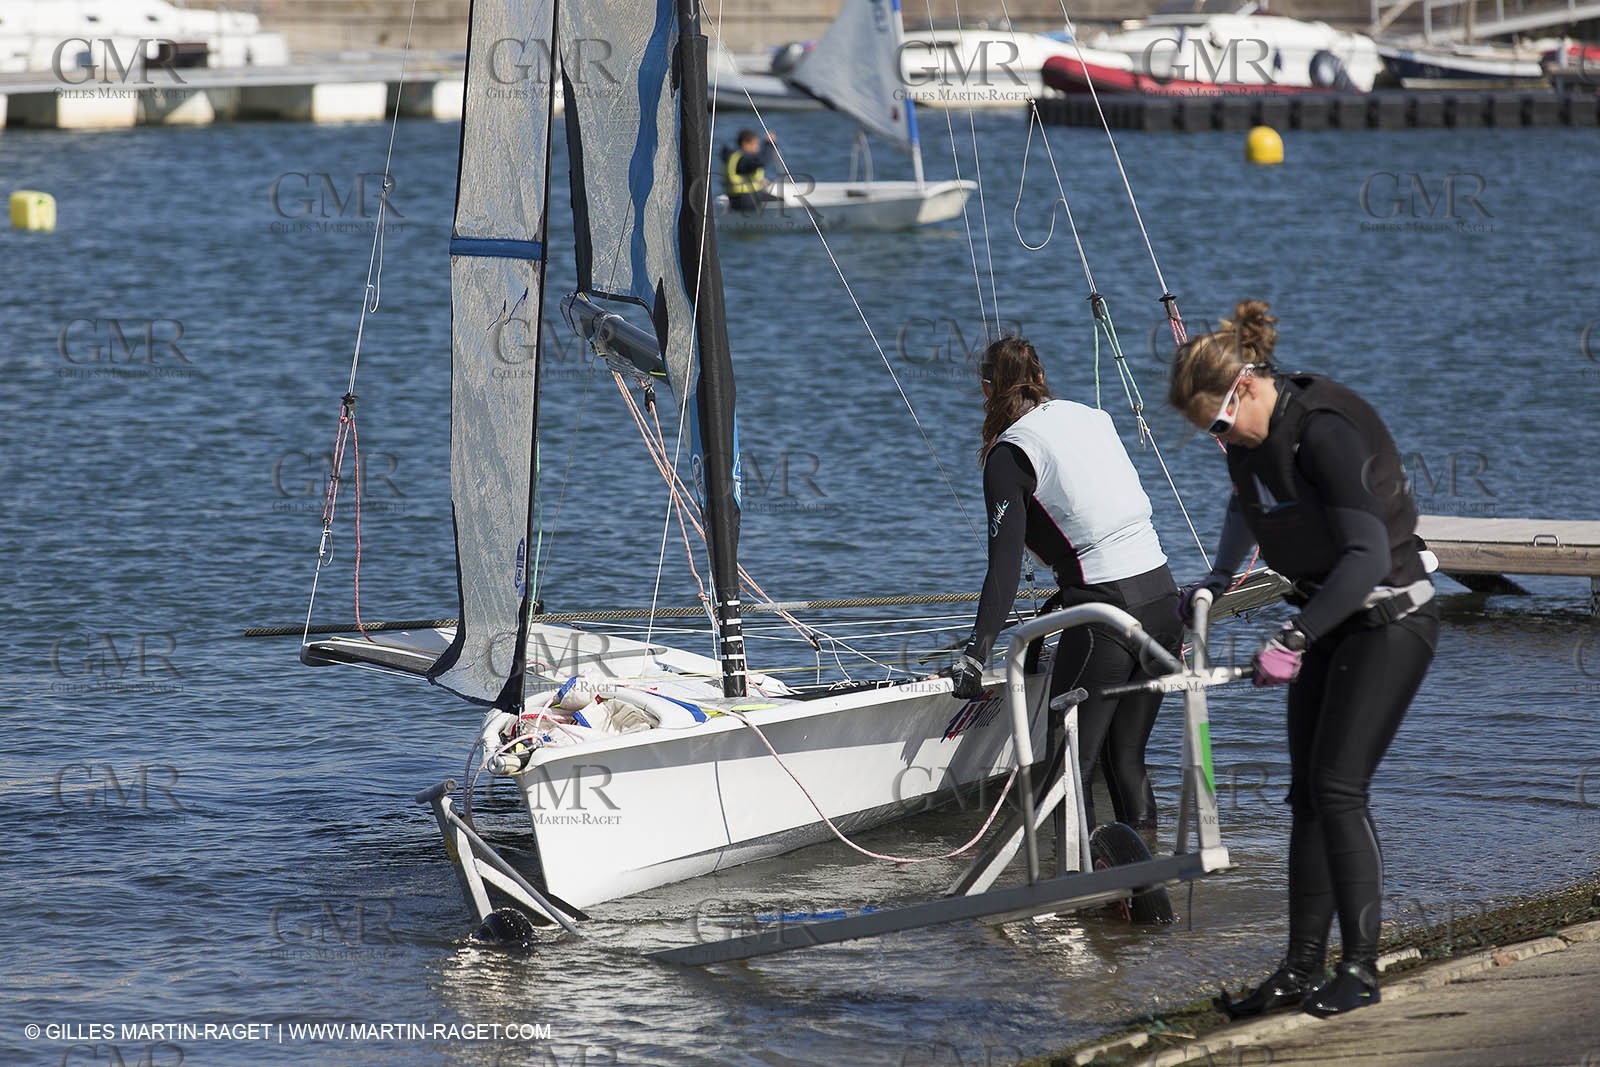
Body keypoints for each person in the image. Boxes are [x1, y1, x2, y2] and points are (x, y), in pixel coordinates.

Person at [1168, 300, 1438, 1018]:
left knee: (1340, 790)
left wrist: (1294, 638)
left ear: (1247, 386)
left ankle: (1360, 969)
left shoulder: (1322, 431)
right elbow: (1243, 507)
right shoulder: (1251, 443)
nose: (1219, 440)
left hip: (1388, 619)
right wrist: (1217, 578)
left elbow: (1368, 554)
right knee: (1306, 799)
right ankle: (1297, 969)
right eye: (1208, 436)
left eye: (1219, 425)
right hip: (1330, 620)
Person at [951, 336, 1181, 841]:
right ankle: (1143, 895)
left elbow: (1005, 569)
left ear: (988, 389)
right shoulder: (1092, 417)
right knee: (1126, 758)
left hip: (1106, 616)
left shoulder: (1009, 455)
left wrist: (975, 653)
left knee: (1065, 766)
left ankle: (1079, 901)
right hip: (1165, 599)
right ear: (1040, 376)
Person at [722, 128, 778, 211]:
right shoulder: (745, 158)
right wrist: (769, 144)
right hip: (747, 199)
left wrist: (760, 181)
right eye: (755, 144)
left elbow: (743, 174)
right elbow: (762, 161)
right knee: (782, 200)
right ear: (745, 144)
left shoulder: (734, 156)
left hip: (735, 198)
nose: (758, 148)